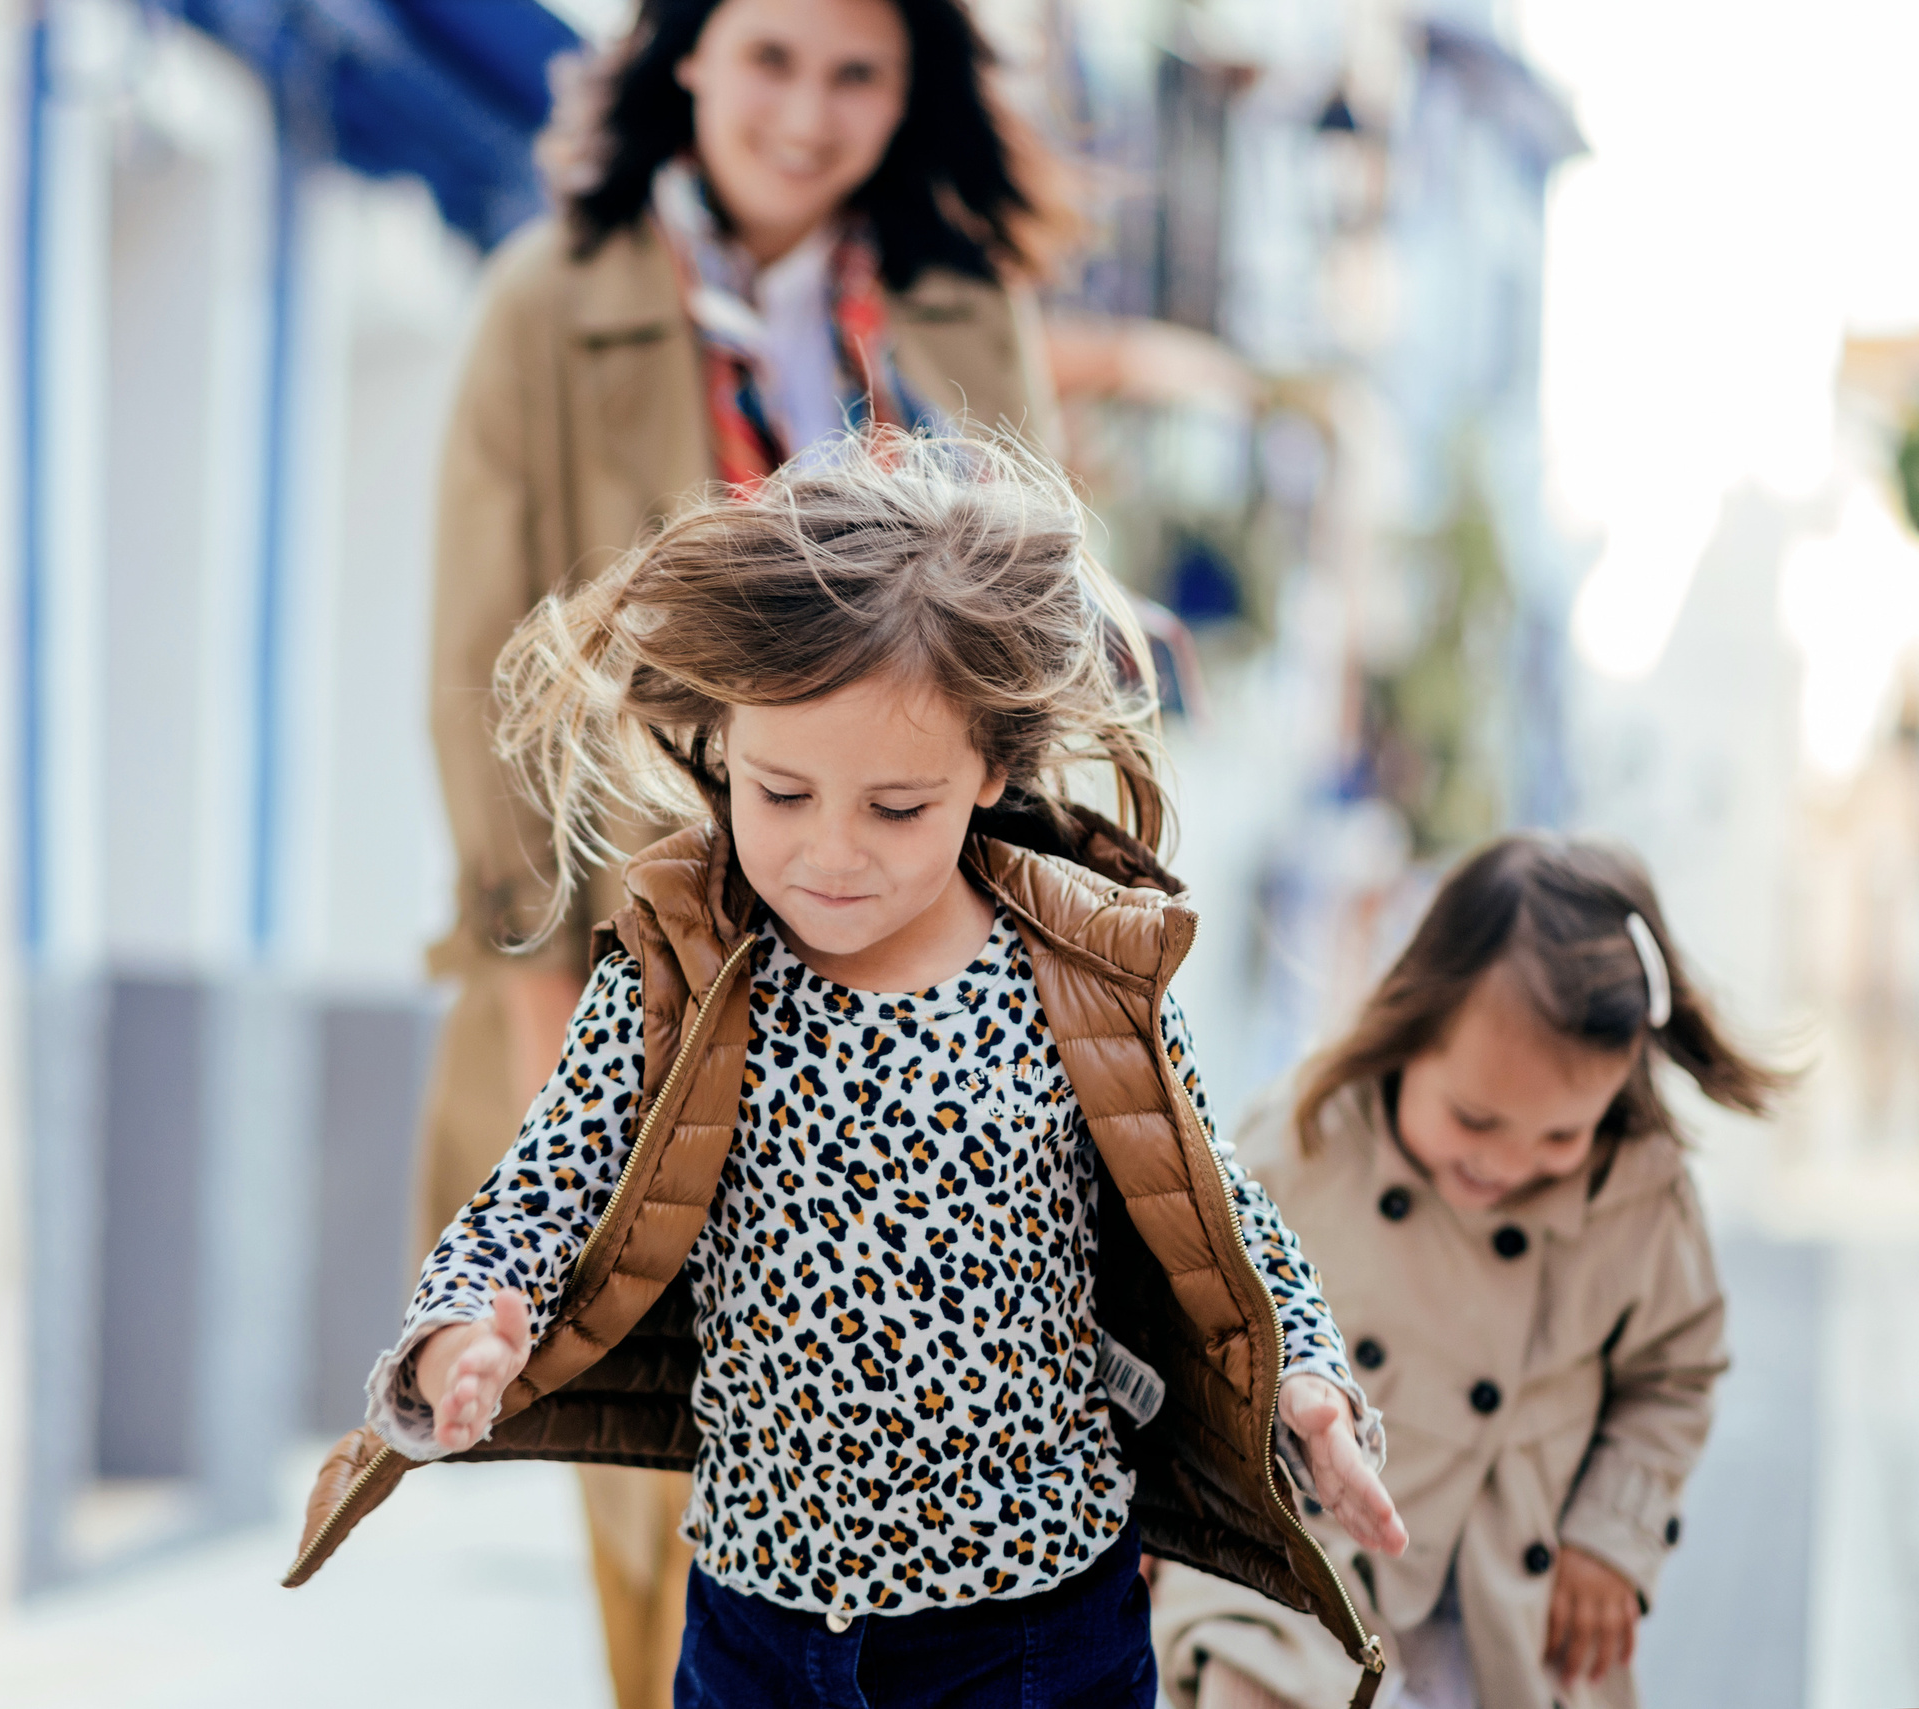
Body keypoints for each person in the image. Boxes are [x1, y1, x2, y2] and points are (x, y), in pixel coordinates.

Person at [361, 436, 1406, 1708]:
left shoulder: (1080, 972)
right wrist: (457, 1334)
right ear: (722, 745)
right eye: (781, 790)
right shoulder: (682, 967)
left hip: (1035, 1635)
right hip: (758, 1628)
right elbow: (539, 1190)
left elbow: (1219, 1213)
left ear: (992, 769)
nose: (828, 854)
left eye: (895, 807)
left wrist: (1304, 1373)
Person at [417, 2, 1067, 1699]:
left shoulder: (962, 314)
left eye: (857, 72)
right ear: (687, 56)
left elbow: (1035, 653)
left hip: (923, 1004)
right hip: (654, 981)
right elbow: (481, 670)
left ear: (910, 91)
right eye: (771, 56)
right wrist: (541, 1000)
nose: (807, 112)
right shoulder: (549, 306)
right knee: (673, 1536)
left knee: (913, 1527)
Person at [1150, 837, 1789, 1709]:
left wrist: (1613, 1532)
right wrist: (1156, 1487)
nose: (1510, 1163)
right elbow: (1189, 1307)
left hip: (1509, 1584)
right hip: (1305, 1552)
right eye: (1475, 1117)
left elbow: (1673, 1376)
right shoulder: (1309, 1132)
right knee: (1249, 1682)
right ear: (1413, 1028)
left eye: (1561, 1134)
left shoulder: (1636, 1195)